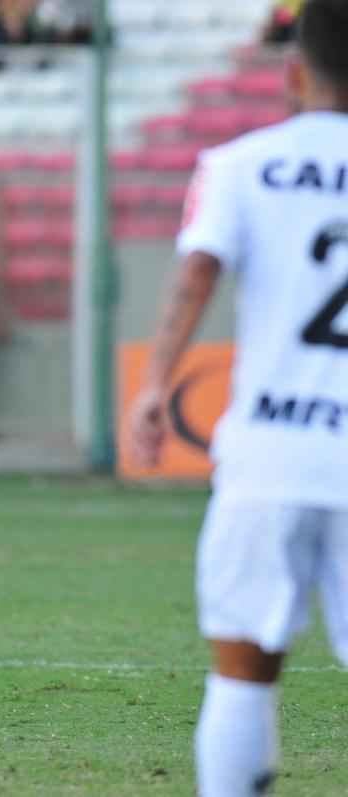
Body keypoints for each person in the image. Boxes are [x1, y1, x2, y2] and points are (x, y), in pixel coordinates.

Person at [128, 2, 348, 793]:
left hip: (271, 455)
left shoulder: (241, 163)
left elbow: (195, 274)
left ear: (294, 74)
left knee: (244, 671)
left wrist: (155, 384)